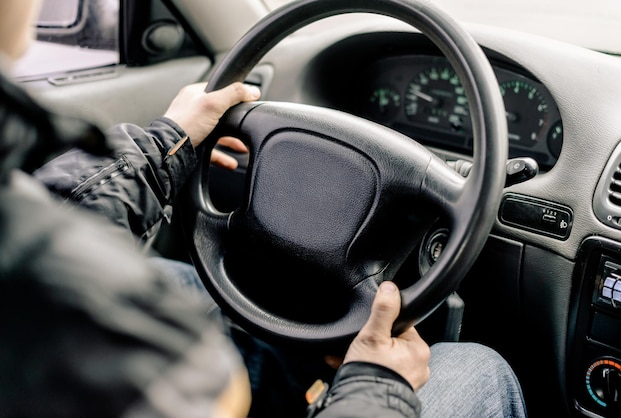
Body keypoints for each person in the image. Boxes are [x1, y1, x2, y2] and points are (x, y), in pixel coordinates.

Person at [0, 0, 527, 417]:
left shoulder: (25, 235)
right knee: (477, 368)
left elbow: (48, 216)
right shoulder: (53, 296)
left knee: (202, 296)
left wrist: (170, 143)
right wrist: (377, 389)